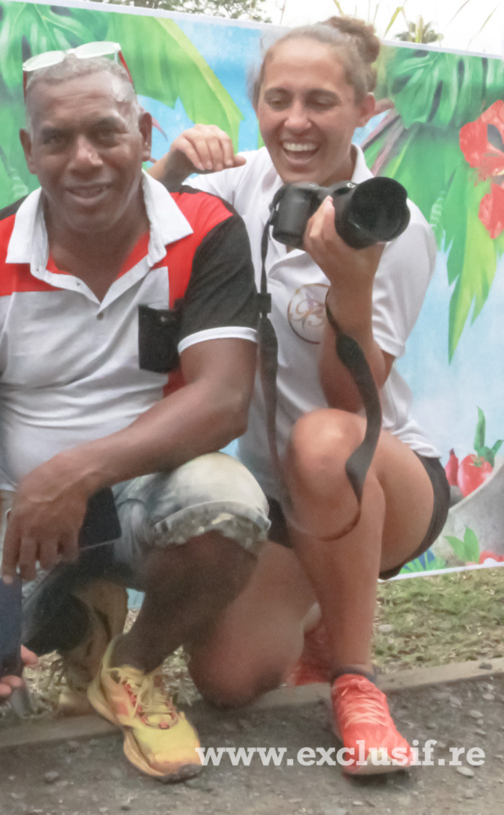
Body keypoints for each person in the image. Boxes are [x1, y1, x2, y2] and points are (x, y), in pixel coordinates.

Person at [0, 44, 272, 781]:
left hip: (145, 493)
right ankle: (69, 612)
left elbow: (221, 399)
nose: (83, 158)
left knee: (229, 504)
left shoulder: (206, 230)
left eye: (105, 133)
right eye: (57, 139)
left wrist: (77, 470)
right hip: (16, 513)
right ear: (30, 149)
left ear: (144, 135)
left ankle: (130, 666)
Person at [149, 17, 449, 775]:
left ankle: (355, 682)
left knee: (319, 439)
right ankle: (317, 607)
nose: (296, 120)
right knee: (224, 679)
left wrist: (348, 286)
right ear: (256, 104)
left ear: (364, 109)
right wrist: (170, 170)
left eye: (320, 100)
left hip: (378, 474)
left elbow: (354, 399)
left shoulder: (390, 223)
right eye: (278, 99)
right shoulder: (229, 188)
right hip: (281, 499)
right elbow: (126, 244)